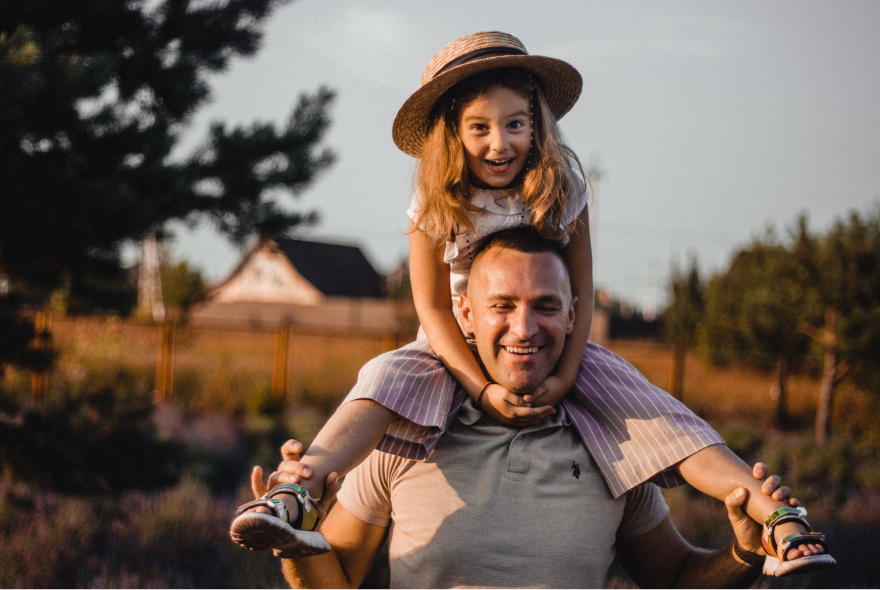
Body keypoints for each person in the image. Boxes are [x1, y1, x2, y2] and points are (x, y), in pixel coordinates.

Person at [230, 32, 833, 576]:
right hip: (448, 349)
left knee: (661, 414)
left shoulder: (563, 187)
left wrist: (569, 373)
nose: (500, 143)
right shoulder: (436, 202)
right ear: (451, 133)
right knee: (380, 380)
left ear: (538, 123)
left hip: (562, 342)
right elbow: (436, 311)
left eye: (516, 124)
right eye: (480, 128)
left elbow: (584, 290)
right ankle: (297, 490)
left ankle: (775, 518)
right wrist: (480, 389)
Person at [251, 230, 819, 590]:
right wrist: (295, 546)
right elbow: (338, 579)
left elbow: (672, 577)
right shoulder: (404, 434)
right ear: (465, 316)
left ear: (574, 315)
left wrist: (745, 552)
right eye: (502, 306)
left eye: (545, 306)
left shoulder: (613, 438)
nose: (524, 328)